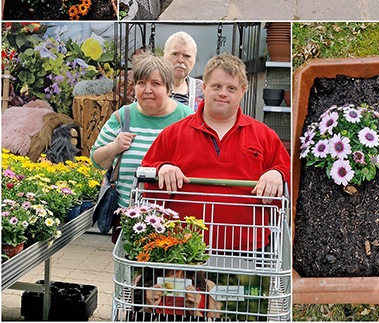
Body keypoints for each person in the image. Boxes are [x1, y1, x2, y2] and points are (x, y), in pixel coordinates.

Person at [141, 53, 291, 251]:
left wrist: (277, 173)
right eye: (216, 86)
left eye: (231, 88)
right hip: (182, 252)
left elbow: (288, 170)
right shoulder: (173, 134)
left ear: (242, 92)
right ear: (204, 87)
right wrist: (162, 167)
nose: (223, 93)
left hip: (249, 251)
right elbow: (146, 172)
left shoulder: (264, 136)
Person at [91, 56, 195, 214]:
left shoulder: (187, 118)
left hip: (174, 220)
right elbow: (97, 160)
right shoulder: (123, 116)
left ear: (168, 88)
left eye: (155, 83)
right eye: (141, 83)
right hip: (127, 219)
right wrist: (114, 148)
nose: (148, 90)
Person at [163, 31, 204, 109]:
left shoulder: (202, 90)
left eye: (187, 56)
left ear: (194, 59)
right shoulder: (151, 86)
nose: (180, 60)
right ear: (164, 55)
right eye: (175, 54)